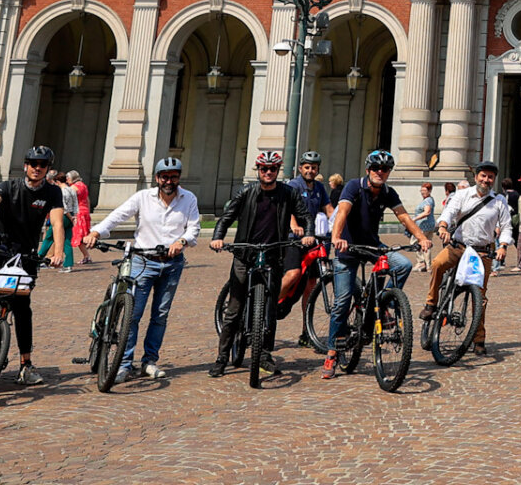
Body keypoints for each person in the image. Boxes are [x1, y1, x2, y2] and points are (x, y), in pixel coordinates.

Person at [0, 145, 69, 386]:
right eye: (33, 164)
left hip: (26, 255)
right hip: (0, 249)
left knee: (22, 307)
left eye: (42, 165)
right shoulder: (9, 186)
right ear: (26, 166)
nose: (37, 168)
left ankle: (25, 365)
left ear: (47, 169)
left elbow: (57, 223)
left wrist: (58, 252)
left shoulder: (52, 193)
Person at [84, 157, 203, 381]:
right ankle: (124, 364)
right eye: (165, 176)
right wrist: (96, 232)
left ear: (179, 178)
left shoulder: (189, 199)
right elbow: (118, 215)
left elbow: (194, 227)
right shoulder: (142, 197)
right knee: (133, 315)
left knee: (160, 315)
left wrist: (182, 242)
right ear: (157, 178)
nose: (169, 181)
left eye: (174, 176)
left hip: (171, 264)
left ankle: (150, 361)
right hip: (142, 262)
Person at [323, 149, 429, 378]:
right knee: (341, 302)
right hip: (347, 248)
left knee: (403, 265)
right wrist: (336, 237)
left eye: (385, 169)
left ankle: (385, 303)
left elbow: (403, 217)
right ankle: (331, 354)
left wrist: (421, 237)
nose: (380, 172)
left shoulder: (388, 193)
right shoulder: (353, 186)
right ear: (368, 170)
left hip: (372, 246)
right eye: (376, 168)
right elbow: (342, 212)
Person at [209, 149, 314, 378]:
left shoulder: (288, 193)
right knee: (234, 310)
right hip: (244, 255)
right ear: (258, 170)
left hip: (273, 255)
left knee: (269, 309)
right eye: (264, 169)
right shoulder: (246, 192)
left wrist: (309, 234)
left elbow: (305, 215)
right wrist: (218, 238)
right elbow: (227, 217)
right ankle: (222, 358)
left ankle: (265, 354)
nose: (268, 172)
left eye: (272, 169)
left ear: (278, 171)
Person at [422, 161, 512, 356]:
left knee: (480, 296)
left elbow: (506, 226)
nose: (486, 180)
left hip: (482, 252)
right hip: (458, 246)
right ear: (476, 177)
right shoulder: (462, 195)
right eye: (483, 176)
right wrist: (443, 226)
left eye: (490, 177)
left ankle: (478, 339)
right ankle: (431, 303)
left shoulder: (499, 201)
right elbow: (450, 211)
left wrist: (503, 246)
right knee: (437, 263)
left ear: (494, 180)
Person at [285, 150, 331, 303]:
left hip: (313, 239)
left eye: (313, 168)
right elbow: (288, 209)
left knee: (311, 282)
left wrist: (341, 226)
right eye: (307, 167)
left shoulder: (319, 187)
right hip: (294, 238)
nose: (310, 171)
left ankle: (306, 326)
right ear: (300, 169)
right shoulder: (294, 185)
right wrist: (294, 226)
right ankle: (269, 307)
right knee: (293, 274)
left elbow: (329, 209)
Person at [36, 166, 78, 270]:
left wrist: (70, 216)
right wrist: (74, 217)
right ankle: (68, 264)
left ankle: (38, 259)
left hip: (62, 216)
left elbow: (64, 208)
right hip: (71, 216)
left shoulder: (61, 191)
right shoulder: (71, 189)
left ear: (58, 181)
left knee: (49, 238)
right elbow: (75, 204)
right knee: (67, 241)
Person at [410, 182, 438, 271]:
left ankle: (421, 262)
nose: (422, 192)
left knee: (414, 242)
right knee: (427, 244)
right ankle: (428, 265)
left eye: (424, 191)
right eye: (421, 190)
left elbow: (427, 212)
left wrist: (414, 219)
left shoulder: (428, 200)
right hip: (428, 225)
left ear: (429, 191)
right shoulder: (429, 200)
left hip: (423, 226)